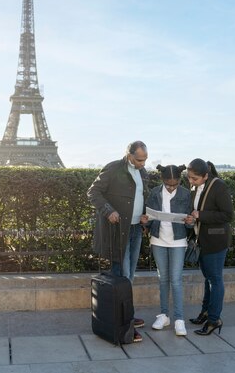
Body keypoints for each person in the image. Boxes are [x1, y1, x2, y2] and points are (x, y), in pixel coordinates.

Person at [87, 140, 150, 343]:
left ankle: (125, 317)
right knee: (121, 275)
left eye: (145, 159)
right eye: (139, 160)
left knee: (128, 276)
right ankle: (123, 324)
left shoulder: (143, 173)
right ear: (129, 155)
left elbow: (140, 198)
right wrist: (108, 211)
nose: (142, 163)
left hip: (135, 229)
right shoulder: (114, 168)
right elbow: (93, 192)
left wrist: (143, 215)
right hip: (118, 232)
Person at [184, 158, 233, 336]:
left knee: (215, 280)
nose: (191, 181)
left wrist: (201, 215)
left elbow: (228, 215)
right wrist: (191, 217)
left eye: (194, 179)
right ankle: (206, 313)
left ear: (205, 175)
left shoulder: (218, 186)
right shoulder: (198, 186)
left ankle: (214, 319)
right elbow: (196, 211)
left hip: (215, 242)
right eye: (189, 178)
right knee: (208, 279)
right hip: (202, 240)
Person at [146, 164, 193, 336]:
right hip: (158, 239)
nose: (172, 187)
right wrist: (146, 220)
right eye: (168, 184)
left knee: (176, 279)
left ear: (180, 180)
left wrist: (190, 221)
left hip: (178, 240)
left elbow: (191, 219)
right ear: (162, 180)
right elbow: (149, 218)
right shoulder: (154, 193)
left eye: (175, 184)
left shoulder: (186, 194)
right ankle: (164, 315)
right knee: (163, 278)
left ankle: (179, 319)